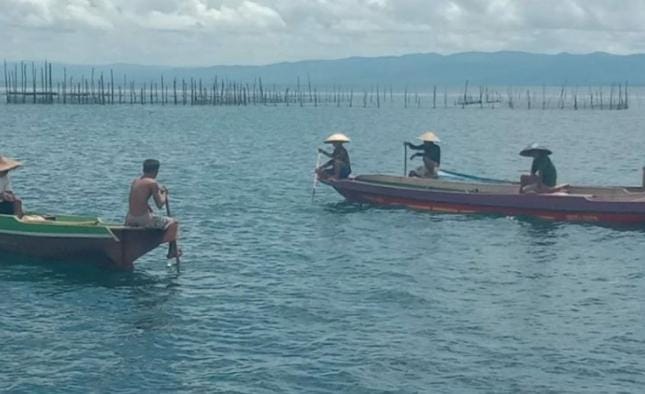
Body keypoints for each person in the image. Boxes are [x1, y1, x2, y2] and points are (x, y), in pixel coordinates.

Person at [126, 159, 181, 258]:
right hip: (143, 219)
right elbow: (160, 205)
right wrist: (164, 194)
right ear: (156, 171)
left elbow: (135, 199)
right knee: (174, 223)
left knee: (155, 217)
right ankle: (173, 251)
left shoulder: (136, 181)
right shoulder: (152, 183)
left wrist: (148, 207)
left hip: (130, 218)